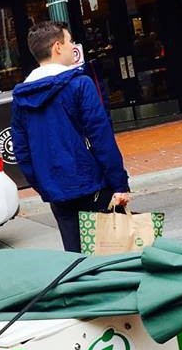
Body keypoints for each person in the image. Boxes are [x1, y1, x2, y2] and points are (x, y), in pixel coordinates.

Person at [11, 21, 131, 253]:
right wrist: (119, 183)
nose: (72, 47)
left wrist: (43, 184)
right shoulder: (79, 84)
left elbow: (22, 151)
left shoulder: (21, 96)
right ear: (57, 47)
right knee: (108, 256)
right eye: (69, 42)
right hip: (91, 184)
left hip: (56, 190)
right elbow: (101, 137)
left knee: (75, 257)